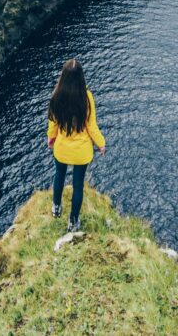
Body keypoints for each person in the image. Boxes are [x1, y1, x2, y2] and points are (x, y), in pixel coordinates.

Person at [47, 58, 106, 231]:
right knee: (78, 184)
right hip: (81, 152)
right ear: (81, 77)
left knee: (59, 175)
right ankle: (73, 221)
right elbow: (91, 126)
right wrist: (101, 143)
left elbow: (53, 123)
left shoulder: (56, 96)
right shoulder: (86, 97)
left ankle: (56, 208)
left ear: (63, 77)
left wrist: (51, 138)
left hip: (62, 148)